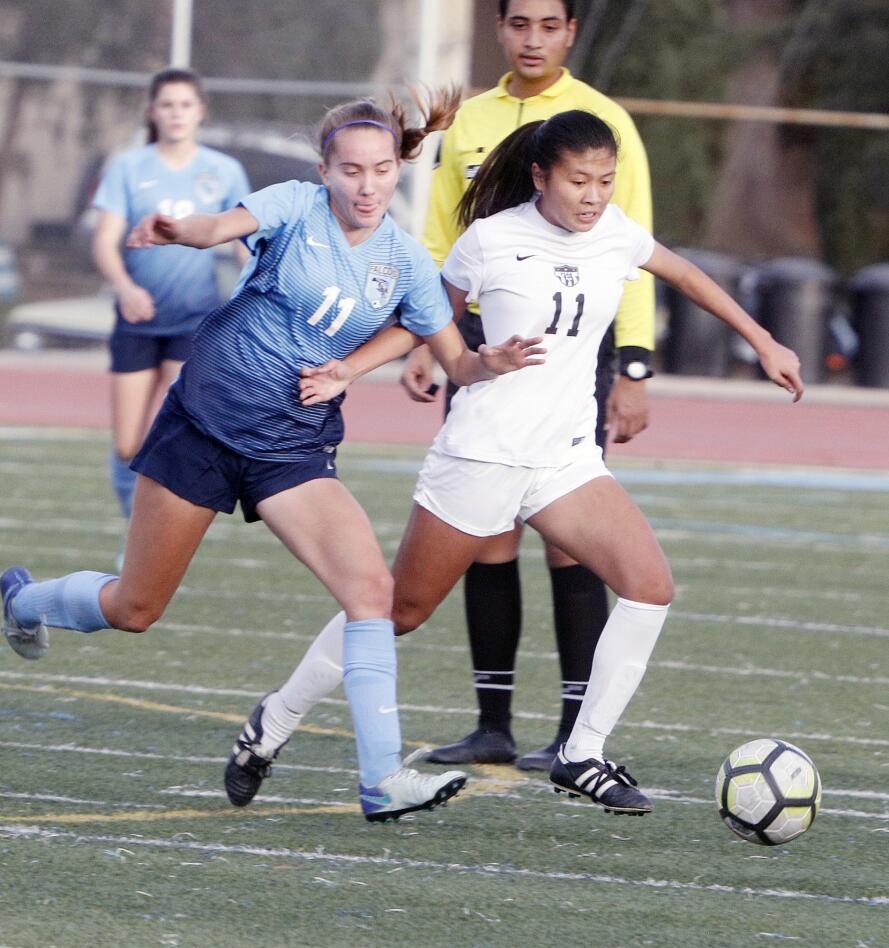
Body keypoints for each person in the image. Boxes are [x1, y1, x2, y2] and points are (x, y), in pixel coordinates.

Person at [220, 109, 803, 817]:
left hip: (563, 460)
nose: (593, 195)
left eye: (604, 181)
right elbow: (422, 316)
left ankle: (580, 752)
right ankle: (271, 724)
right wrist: (370, 367)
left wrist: (765, 342)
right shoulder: (490, 241)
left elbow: (682, 274)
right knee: (396, 611)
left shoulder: (616, 233)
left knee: (649, 586)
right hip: (482, 456)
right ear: (539, 176)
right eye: (578, 180)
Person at [0, 89, 545, 824]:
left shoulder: (410, 265)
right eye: (350, 170)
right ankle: (21, 600)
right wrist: (177, 229)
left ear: (397, 171)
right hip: (202, 424)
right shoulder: (294, 205)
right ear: (325, 171)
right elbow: (217, 226)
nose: (365, 185)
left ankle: (381, 778)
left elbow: (453, 360)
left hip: (291, 446)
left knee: (370, 597)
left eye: (380, 170)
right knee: (134, 607)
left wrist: (492, 360)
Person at [401, 0, 657, 771]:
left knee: (570, 544)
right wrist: (427, 339)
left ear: (570, 32)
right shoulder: (471, 121)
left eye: (549, 24)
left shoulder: (601, 119)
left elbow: (636, 246)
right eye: (519, 23)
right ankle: (492, 724)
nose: (533, 38)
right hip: (482, 340)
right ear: (501, 30)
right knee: (487, 537)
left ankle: (574, 733)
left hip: (574, 343)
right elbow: (444, 236)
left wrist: (635, 365)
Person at [92, 68, 250, 549]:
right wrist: (124, 287)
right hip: (137, 321)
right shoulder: (128, 167)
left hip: (194, 322)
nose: (176, 113)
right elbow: (104, 241)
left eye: (186, 104)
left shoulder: (223, 170)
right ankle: (133, 524)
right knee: (126, 446)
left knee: (168, 438)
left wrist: (250, 292)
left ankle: (144, 545)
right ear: (152, 111)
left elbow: (244, 242)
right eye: (167, 104)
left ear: (200, 111)